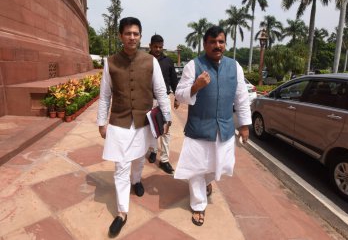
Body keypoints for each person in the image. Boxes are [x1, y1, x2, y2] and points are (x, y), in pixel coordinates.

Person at [97, 17, 171, 238]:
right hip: (119, 121)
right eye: (128, 33)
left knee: (139, 158)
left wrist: (166, 118)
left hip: (143, 121)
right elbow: (104, 96)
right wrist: (102, 122)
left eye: (136, 34)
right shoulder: (110, 62)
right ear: (121, 36)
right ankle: (122, 212)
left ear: (140, 36)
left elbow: (160, 91)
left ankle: (137, 180)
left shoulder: (151, 61)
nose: (132, 37)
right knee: (121, 165)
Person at [174, 26, 251, 226]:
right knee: (197, 168)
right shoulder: (194, 65)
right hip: (199, 128)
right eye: (213, 42)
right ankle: (198, 205)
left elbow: (241, 98)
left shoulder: (235, 67)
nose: (217, 46)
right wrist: (195, 86)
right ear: (205, 44)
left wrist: (244, 125)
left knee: (219, 165)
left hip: (224, 128)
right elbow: (179, 95)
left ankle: (207, 182)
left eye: (221, 42)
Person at [147, 34, 179, 174]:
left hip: (164, 99)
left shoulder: (168, 61)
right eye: (155, 47)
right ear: (150, 46)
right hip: (148, 99)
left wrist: (177, 97)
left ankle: (164, 160)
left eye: (160, 47)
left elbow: (173, 80)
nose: (158, 49)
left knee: (166, 130)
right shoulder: (145, 60)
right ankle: (153, 150)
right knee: (152, 129)